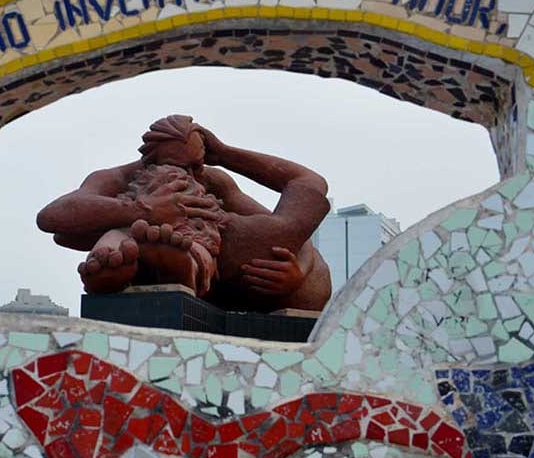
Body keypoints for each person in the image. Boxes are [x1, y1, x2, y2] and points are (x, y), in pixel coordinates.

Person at [36, 115, 332, 312]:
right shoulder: (119, 180)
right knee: (126, 237)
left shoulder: (212, 181)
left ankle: (175, 263)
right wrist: (140, 210)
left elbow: (292, 228)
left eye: (197, 164)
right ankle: (128, 267)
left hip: (245, 290)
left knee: (302, 273)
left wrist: (298, 272)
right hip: (159, 268)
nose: (191, 175)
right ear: (148, 164)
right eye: (177, 165)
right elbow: (53, 218)